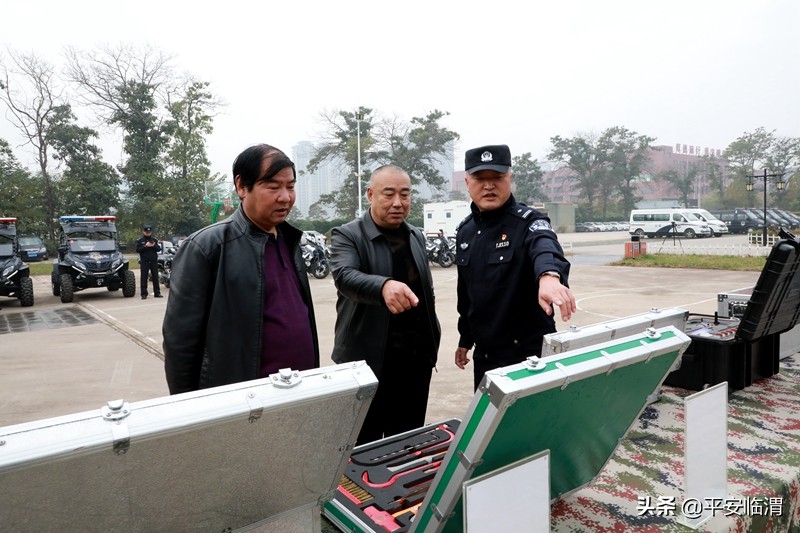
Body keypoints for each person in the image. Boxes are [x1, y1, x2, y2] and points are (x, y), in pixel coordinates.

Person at [162, 144, 319, 394]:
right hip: (245, 401)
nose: (285, 196)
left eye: (290, 186)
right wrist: (190, 408)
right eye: (273, 186)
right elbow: (180, 343)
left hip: (298, 392)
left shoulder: (290, 241)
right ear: (241, 186)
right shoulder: (207, 247)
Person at [331, 165, 441, 444]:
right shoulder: (348, 235)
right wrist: (382, 286)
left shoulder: (415, 235)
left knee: (406, 444)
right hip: (367, 364)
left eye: (405, 195)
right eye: (388, 194)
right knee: (362, 449)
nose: (397, 203)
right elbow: (345, 277)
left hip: (414, 364)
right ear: (370, 194)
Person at [454, 144, 576, 390]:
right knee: (490, 426)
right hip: (485, 357)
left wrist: (549, 276)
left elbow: (545, 245)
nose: (489, 186)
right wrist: (465, 338)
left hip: (529, 356)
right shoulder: (465, 231)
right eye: (480, 178)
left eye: (497, 178)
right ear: (467, 182)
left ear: (509, 178)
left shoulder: (529, 221)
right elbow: (466, 294)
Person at [135, 225, 162, 299]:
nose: (148, 233)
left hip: (153, 261)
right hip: (144, 261)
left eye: (149, 232)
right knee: (144, 277)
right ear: (143, 232)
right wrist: (146, 246)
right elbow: (138, 250)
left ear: (151, 232)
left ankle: (157, 293)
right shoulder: (140, 240)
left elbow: (159, 249)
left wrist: (153, 245)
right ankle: (144, 294)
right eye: (146, 232)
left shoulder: (154, 240)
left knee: (155, 277)